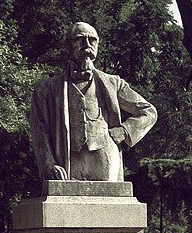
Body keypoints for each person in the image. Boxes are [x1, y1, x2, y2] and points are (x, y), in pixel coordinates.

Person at [28, 21, 157, 182]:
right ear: (69, 45)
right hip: (68, 161)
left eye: (92, 40)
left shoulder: (113, 83)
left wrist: (125, 131)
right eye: (80, 39)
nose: (87, 44)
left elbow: (148, 111)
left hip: (105, 158)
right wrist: (49, 163)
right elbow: (40, 129)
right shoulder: (46, 88)